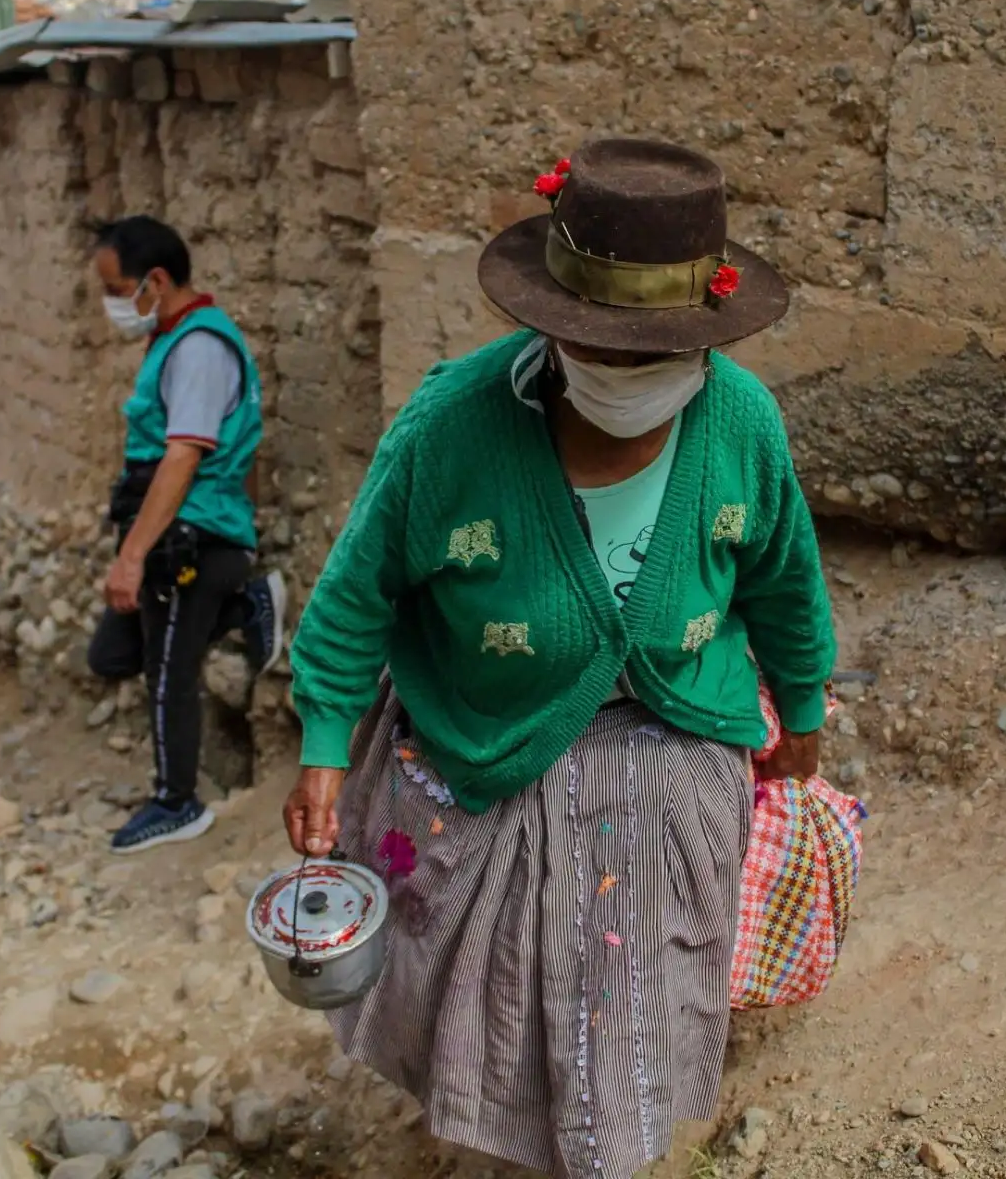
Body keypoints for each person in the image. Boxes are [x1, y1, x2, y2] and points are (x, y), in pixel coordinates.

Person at [283, 139, 836, 1179]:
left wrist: (800, 710)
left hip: (672, 726)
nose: (626, 380)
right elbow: (357, 595)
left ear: (703, 343)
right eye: (604, 353)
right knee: (485, 945)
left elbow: (784, 583)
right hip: (486, 728)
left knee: (624, 939)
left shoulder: (741, 426)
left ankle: (606, 1134)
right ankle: (497, 1120)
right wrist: (321, 744)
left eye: (654, 358)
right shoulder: (451, 426)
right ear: (553, 329)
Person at [83, 215, 286, 854]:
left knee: (168, 671)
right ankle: (244, 604)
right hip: (185, 528)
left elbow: (183, 456)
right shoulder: (174, 339)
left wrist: (133, 557)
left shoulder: (199, 348)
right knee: (112, 654)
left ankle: (178, 802)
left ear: (157, 280)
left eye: (116, 288)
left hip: (192, 534)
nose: (112, 304)